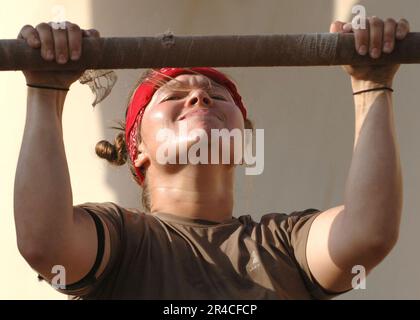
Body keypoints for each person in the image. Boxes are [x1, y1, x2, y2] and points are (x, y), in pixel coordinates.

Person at [14, 16, 409, 299]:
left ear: (243, 142)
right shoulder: (124, 241)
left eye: (218, 97)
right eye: (173, 95)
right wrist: (44, 91)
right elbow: (45, 244)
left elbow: (368, 233)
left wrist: (372, 84)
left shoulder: (283, 245)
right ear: (138, 150)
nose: (200, 96)